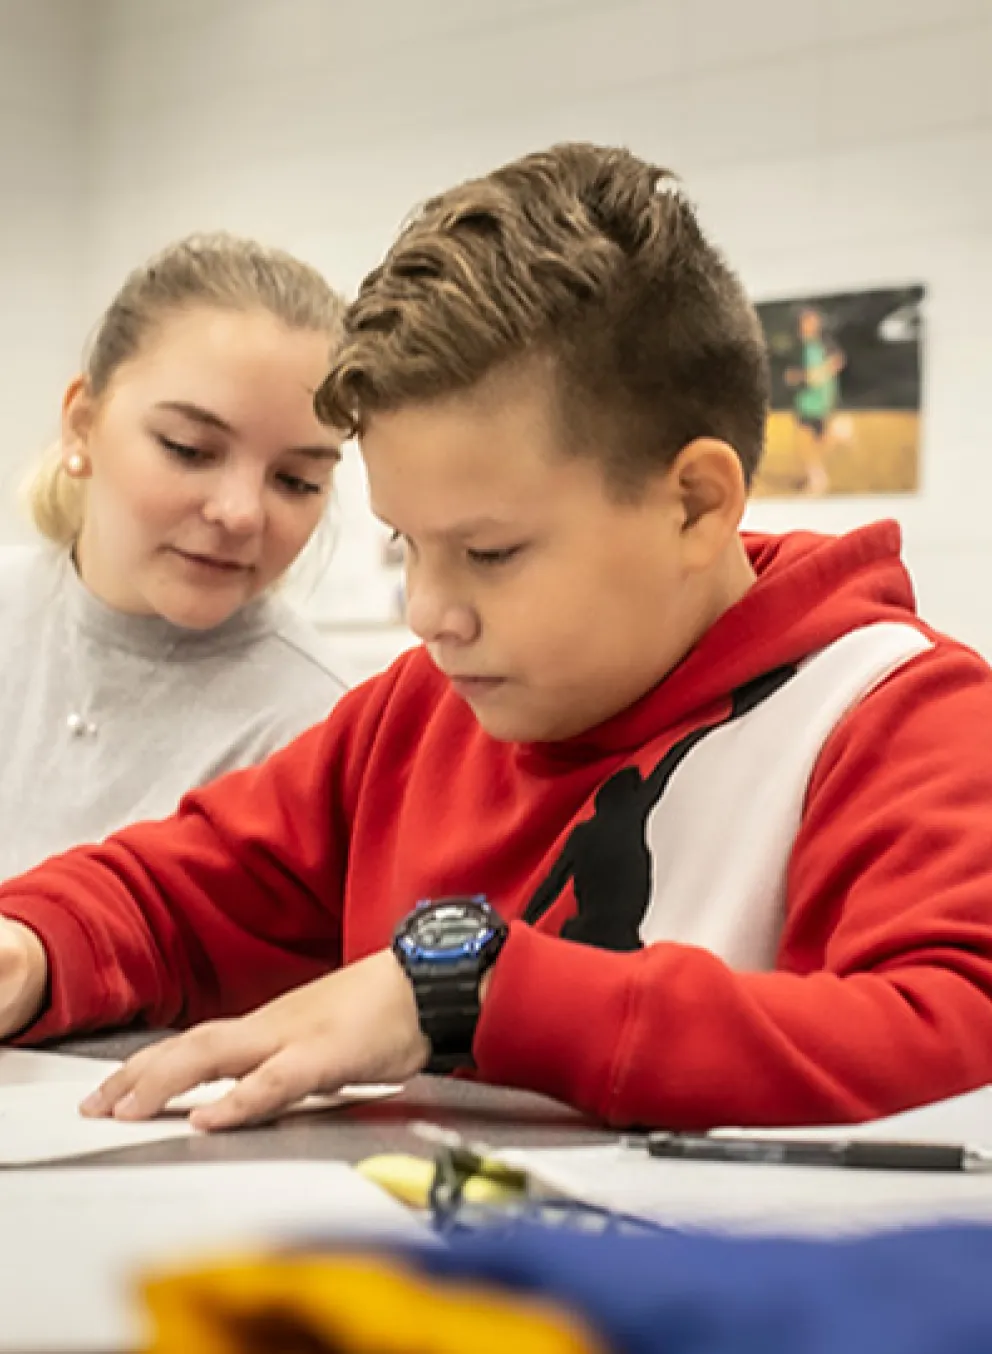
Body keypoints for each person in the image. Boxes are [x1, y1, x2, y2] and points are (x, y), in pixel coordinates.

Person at [0, 144, 991, 1135]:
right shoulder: (413, 714)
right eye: (405, 545)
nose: (430, 611)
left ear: (693, 503)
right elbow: (175, 893)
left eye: (489, 552)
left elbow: (952, 1028)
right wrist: (33, 947)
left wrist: (467, 993)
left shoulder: (897, 718)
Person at [0, 233, 347, 880]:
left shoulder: (319, 733)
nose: (241, 513)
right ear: (81, 425)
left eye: (296, 481)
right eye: (189, 449)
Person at [784, 305, 846, 495]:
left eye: (812, 321)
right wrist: (803, 377)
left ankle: (816, 475)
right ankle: (816, 478)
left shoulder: (825, 343)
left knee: (821, 439)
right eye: (805, 322)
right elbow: (789, 375)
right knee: (804, 441)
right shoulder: (796, 347)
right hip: (805, 401)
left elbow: (839, 360)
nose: (808, 325)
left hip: (823, 399)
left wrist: (823, 371)